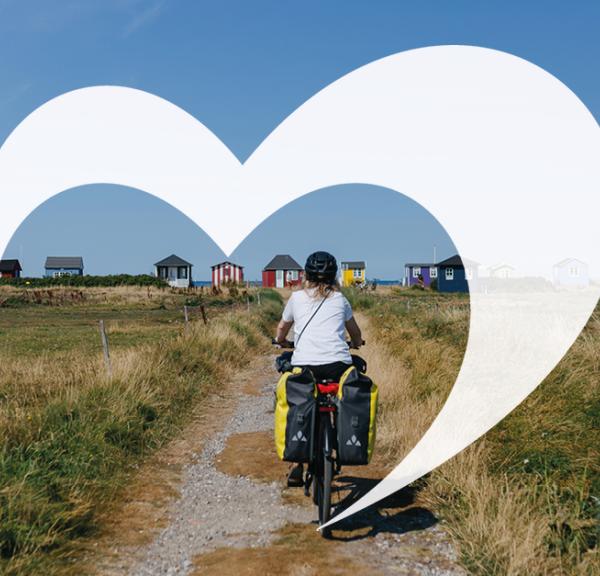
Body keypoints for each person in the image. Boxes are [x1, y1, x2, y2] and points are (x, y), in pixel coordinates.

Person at [274, 251, 364, 486]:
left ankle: (296, 461)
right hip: (337, 365)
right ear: (333, 275)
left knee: (297, 398)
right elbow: (355, 333)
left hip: (305, 366)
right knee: (341, 397)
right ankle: (341, 439)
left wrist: (281, 341)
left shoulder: (296, 298)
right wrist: (355, 344)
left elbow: (282, 328)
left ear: (306, 274)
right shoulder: (340, 300)